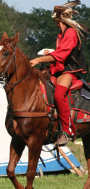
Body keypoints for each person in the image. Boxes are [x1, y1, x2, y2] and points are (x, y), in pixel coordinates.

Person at [30, 2, 90, 145]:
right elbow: (60, 52)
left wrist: (39, 59)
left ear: (59, 19)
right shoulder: (61, 34)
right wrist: (50, 52)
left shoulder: (70, 33)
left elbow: (62, 55)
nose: (55, 22)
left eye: (55, 19)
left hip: (69, 71)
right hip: (59, 68)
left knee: (59, 93)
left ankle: (67, 131)